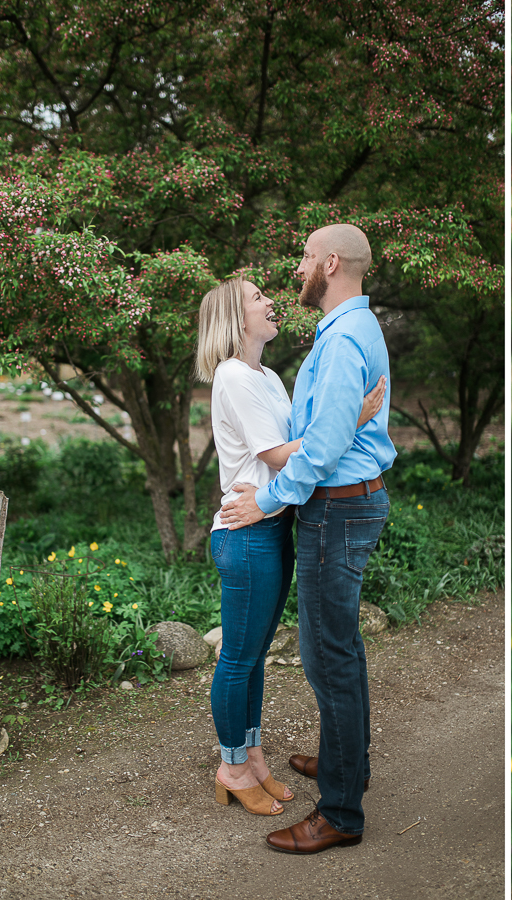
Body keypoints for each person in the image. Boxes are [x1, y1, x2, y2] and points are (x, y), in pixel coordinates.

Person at [220, 224, 396, 855]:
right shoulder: (347, 330)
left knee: (328, 656)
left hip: (338, 509)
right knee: (338, 647)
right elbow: (324, 428)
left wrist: (266, 499)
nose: (296, 270)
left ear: (329, 263)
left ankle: (342, 812)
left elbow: (320, 449)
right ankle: (346, 760)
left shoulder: (346, 334)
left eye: (302, 258)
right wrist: (349, 419)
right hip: (344, 506)